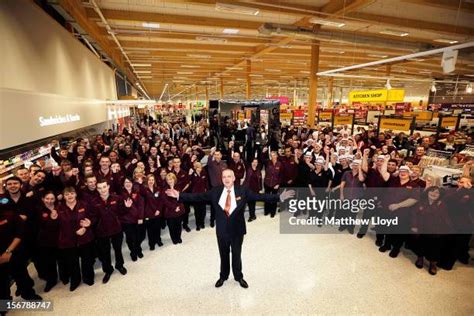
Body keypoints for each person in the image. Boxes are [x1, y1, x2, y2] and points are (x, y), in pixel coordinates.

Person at [165, 169, 295, 288]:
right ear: (221, 179)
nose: (226, 179)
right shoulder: (215, 191)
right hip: (221, 231)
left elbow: (260, 197)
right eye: (224, 177)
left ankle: (239, 277)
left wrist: (279, 197)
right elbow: (197, 197)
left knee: (237, 254)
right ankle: (223, 276)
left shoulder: (243, 191)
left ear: (234, 178)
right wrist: (179, 195)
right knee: (224, 254)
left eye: (229, 176)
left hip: (237, 230)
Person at [0, 176, 42, 300]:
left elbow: (20, 231)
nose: (12, 186)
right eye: (10, 184)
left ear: (20, 184)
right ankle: (4, 304)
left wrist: (8, 251)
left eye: (15, 183)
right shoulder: (3, 201)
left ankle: (28, 294)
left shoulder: (27, 199)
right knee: (2, 280)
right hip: (8, 246)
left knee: (21, 271)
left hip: (16, 244)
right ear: (5, 186)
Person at [57, 187, 95, 291]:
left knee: (87, 259)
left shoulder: (84, 204)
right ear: (63, 196)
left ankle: (88, 278)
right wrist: (74, 232)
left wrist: (88, 224)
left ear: (76, 194)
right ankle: (75, 280)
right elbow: (59, 225)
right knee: (72, 262)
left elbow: (92, 216)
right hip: (68, 239)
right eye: (67, 194)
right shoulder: (59, 208)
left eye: (72, 193)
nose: (70, 196)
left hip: (85, 237)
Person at [93, 180, 128, 284]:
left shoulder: (117, 198)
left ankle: (119, 265)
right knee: (105, 252)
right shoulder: (94, 201)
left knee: (118, 249)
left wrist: (127, 207)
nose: (102, 190)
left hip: (116, 229)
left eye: (104, 187)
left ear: (108, 187)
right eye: (99, 188)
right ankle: (108, 270)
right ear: (96, 189)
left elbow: (122, 212)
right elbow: (93, 217)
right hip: (102, 232)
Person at [36, 191, 60, 292]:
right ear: (43, 199)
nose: (49, 201)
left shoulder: (60, 207)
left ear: (55, 199)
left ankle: (65, 276)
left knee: (63, 260)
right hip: (46, 241)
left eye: (52, 199)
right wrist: (51, 219)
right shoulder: (39, 210)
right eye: (47, 199)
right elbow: (39, 226)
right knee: (50, 262)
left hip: (61, 238)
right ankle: (51, 280)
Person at [162, 173, 185, 244]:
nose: (170, 181)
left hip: (179, 209)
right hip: (170, 211)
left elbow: (181, 197)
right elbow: (165, 201)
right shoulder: (164, 189)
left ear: (174, 179)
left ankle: (179, 237)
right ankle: (174, 239)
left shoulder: (178, 187)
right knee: (171, 227)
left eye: (171, 179)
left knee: (178, 225)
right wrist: (174, 207)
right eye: (168, 180)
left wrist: (178, 207)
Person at [142, 174, 164, 249]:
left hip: (157, 212)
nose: (151, 181)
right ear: (147, 181)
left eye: (152, 180)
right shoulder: (144, 190)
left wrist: (158, 210)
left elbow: (161, 201)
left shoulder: (158, 189)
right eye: (149, 180)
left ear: (154, 181)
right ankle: (151, 243)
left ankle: (158, 240)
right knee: (150, 230)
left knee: (157, 228)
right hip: (149, 213)